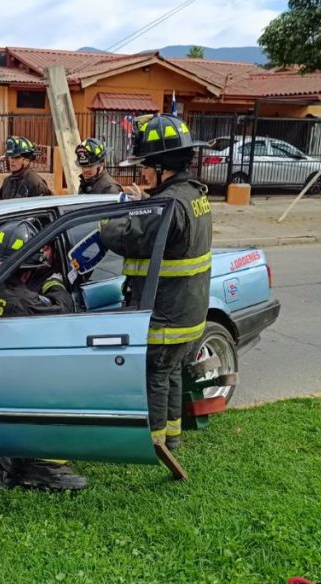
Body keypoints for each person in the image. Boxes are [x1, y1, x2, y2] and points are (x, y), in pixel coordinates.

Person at [99, 114, 212, 451]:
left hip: (165, 317)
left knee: (156, 376)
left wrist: (109, 218)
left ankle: (156, 444)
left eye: (146, 165)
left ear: (163, 166)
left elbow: (125, 236)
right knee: (172, 373)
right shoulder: (193, 195)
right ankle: (173, 437)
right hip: (187, 313)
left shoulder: (168, 205)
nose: (143, 172)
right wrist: (146, 206)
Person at [0, 219, 86, 491]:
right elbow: (61, 312)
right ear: (25, 270)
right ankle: (45, 467)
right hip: (14, 381)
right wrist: (54, 284)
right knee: (58, 387)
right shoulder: (23, 301)